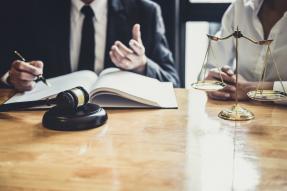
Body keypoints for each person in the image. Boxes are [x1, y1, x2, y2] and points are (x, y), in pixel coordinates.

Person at [0, 0, 180, 91]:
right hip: (49, 122)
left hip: (122, 127)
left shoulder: (145, 12)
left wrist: (142, 65)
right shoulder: (32, 9)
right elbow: (9, 68)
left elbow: (173, 82)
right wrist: (12, 78)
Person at [205, 0, 287, 101]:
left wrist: (250, 88)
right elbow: (211, 66)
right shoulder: (240, 6)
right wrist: (214, 78)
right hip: (236, 108)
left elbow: (245, 89)